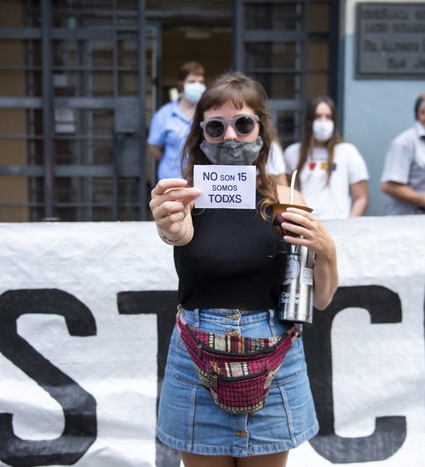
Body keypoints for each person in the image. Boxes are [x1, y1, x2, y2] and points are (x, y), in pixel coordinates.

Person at [149, 72, 338, 466]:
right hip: (196, 360)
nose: (231, 137)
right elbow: (178, 233)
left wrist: (327, 250)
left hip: (276, 357)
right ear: (201, 135)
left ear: (261, 131)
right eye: (216, 127)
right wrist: (170, 226)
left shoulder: (287, 200)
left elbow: (319, 299)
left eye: (243, 124)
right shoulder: (185, 197)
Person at [283, 96, 369, 219]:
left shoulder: (348, 152)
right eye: (318, 117)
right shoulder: (292, 152)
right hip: (303, 227)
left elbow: (361, 198)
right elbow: (285, 194)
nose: (323, 122)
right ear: (309, 121)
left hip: (340, 228)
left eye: (328, 117)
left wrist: (350, 225)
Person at [148, 61, 206, 180]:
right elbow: (154, 147)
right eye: (192, 82)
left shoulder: (208, 112)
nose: (197, 85)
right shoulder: (164, 114)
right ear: (181, 85)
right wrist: (172, 161)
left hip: (202, 180)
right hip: (172, 179)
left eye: (200, 82)